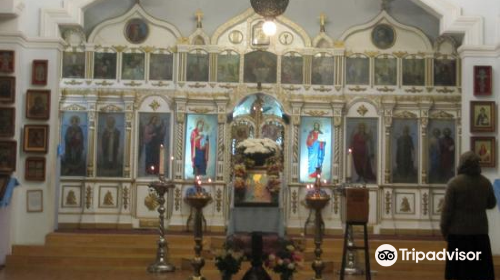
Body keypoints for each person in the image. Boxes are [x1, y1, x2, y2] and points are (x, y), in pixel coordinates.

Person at [440, 151, 496, 280]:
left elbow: (446, 211)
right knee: (480, 272)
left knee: (458, 273)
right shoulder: (485, 182)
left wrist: (444, 230)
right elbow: (491, 203)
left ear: (461, 164)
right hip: (480, 235)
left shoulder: (454, 183)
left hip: (458, 236)